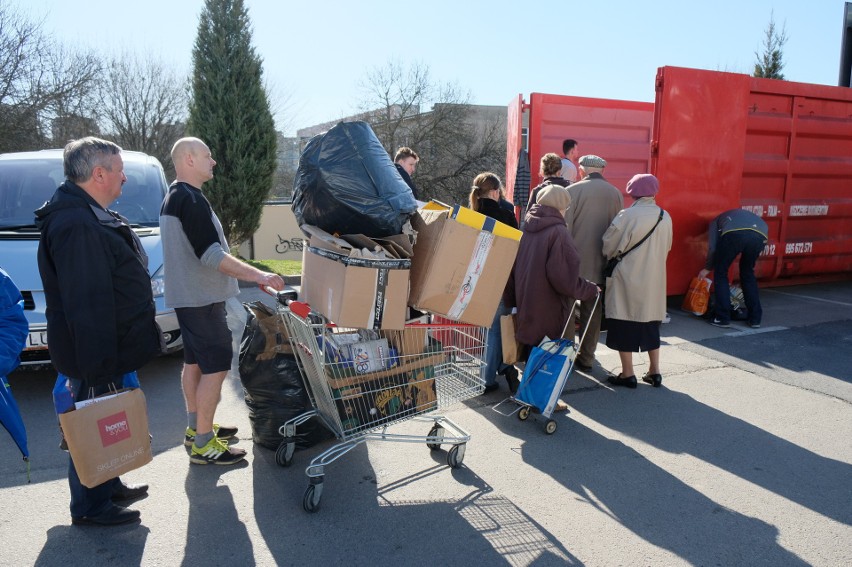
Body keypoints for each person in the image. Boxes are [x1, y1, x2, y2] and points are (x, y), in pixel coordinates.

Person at [36, 137, 162, 526]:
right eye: (119, 170)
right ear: (99, 173)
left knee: (107, 417)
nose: (124, 177)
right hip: (94, 352)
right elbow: (86, 304)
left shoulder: (86, 213)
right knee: (93, 421)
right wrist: (99, 366)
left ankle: (107, 483)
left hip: (108, 347)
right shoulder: (76, 223)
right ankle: (90, 507)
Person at [160, 137, 285, 466]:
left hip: (189, 300)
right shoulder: (190, 200)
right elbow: (212, 255)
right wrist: (257, 276)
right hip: (202, 301)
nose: (213, 161)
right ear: (188, 159)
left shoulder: (175, 196)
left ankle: (194, 428)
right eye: (207, 155)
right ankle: (203, 443)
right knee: (214, 370)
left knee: (194, 364)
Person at [504, 184, 599, 405]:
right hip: (549, 304)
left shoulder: (527, 227)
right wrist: (589, 289)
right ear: (561, 206)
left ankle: (528, 395)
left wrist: (513, 300)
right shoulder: (558, 232)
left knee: (534, 350)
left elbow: (514, 267)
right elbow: (564, 278)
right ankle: (544, 400)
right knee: (550, 353)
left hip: (527, 298)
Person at [601, 174, 673, 388]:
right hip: (654, 278)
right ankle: (654, 371)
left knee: (624, 322)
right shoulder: (664, 216)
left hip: (628, 278)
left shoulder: (627, 215)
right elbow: (667, 247)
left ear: (633, 192)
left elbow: (608, 246)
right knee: (651, 324)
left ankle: (628, 373)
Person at [565, 155, 623, 372]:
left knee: (568, 311)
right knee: (593, 312)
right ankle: (587, 357)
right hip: (601, 263)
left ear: (581, 170)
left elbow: (565, 231)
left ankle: (567, 355)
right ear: (602, 171)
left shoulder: (573, 192)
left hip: (574, 264)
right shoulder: (616, 194)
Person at [468, 172, 520, 394]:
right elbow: (517, 249)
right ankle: (489, 377)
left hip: (476, 279)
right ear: (496, 192)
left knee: (486, 329)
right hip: (501, 281)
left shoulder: (472, 215)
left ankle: (496, 369)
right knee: (497, 330)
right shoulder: (506, 215)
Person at [698, 209, 768, 328]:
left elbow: (713, 248)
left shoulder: (715, 222)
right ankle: (755, 319)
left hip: (735, 234)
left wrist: (708, 268)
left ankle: (722, 317)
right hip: (760, 234)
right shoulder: (738, 216)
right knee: (747, 273)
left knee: (721, 272)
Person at [526, 153, 569, 219]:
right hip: (564, 228)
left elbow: (529, 217)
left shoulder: (537, 191)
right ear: (559, 172)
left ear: (542, 172)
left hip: (542, 228)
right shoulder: (569, 188)